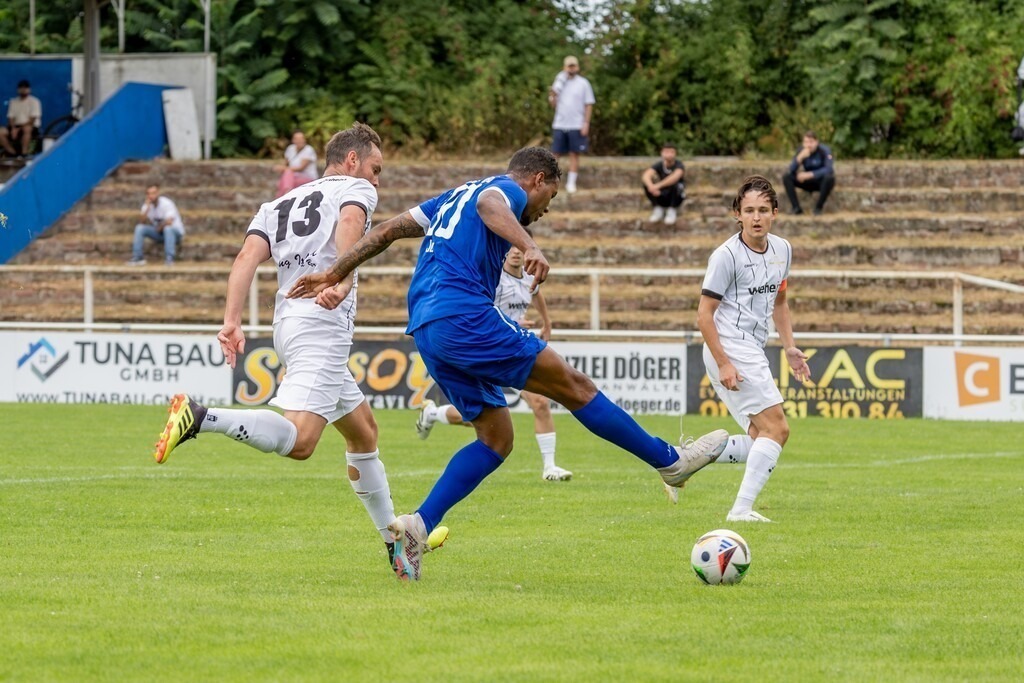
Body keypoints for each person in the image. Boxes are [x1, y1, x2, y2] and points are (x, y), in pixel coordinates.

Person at [288, 146, 728, 581]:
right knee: (576, 387)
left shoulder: (450, 196)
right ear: (536, 180)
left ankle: (418, 527)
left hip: (426, 325)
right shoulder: (503, 190)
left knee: (496, 438)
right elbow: (491, 204)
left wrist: (334, 272)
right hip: (464, 315)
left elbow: (384, 232)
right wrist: (528, 243)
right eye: (549, 199)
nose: (545, 210)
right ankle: (670, 460)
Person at [151, 123, 443, 565]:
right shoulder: (356, 189)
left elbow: (246, 258)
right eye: (375, 168)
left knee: (363, 431)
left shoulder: (278, 202)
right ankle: (200, 416)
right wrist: (341, 277)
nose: (377, 179)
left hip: (287, 323)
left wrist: (231, 321)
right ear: (351, 160)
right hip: (321, 324)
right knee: (303, 442)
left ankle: (396, 544)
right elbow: (349, 222)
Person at [696, 175, 811, 523]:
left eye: (763, 210)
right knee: (778, 429)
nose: (756, 217)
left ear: (775, 212)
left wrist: (789, 347)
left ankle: (684, 458)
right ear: (737, 214)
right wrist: (724, 363)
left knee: (760, 436)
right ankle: (740, 510)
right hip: (729, 346)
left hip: (752, 349)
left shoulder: (783, 250)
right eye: (749, 210)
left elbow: (781, 301)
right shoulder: (726, 256)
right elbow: (703, 316)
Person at [415, 245, 574, 482]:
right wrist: (513, 323)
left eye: (521, 248)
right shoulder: (495, 278)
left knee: (540, 402)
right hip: (487, 347)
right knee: (484, 419)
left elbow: (536, 292)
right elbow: (482, 308)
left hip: (512, 349)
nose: (516, 252)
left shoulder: (529, 276)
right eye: (511, 248)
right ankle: (434, 413)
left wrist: (547, 322)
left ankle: (550, 467)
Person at [549, 56, 595, 194]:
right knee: (555, 154)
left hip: (576, 124)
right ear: (565, 67)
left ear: (577, 67)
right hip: (560, 123)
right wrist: (552, 94)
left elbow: (589, 104)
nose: (571, 68)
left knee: (574, 154)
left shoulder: (583, 83)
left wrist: (586, 123)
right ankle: (553, 180)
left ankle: (571, 183)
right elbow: (552, 104)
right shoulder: (559, 82)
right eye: (569, 66)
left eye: (573, 66)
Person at [127, 185, 186, 266]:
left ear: (158, 193)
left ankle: (169, 259)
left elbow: (169, 221)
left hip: (174, 234)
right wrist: (147, 208)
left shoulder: (167, 203)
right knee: (139, 228)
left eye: (153, 193)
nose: (151, 196)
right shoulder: (147, 205)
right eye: (149, 194)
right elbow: (141, 221)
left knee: (168, 229)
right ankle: (138, 258)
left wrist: (160, 227)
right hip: (159, 233)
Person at [781, 131, 835, 215]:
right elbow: (791, 170)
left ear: (817, 142)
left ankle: (818, 208)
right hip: (807, 182)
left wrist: (810, 174)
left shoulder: (824, 150)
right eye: (806, 142)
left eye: (811, 142)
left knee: (829, 178)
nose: (809, 145)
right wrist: (799, 158)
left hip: (820, 182)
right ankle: (796, 208)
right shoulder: (801, 151)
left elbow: (829, 169)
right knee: (787, 177)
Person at [641, 142, 686, 224]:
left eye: (671, 152)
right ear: (661, 153)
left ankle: (672, 210)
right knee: (646, 184)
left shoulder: (679, 165)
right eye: (666, 152)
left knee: (676, 185)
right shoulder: (659, 165)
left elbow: (675, 177)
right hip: (661, 194)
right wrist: (651, 186)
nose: (669, 154)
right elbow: (646, 175)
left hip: (675, 196)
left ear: (675, 154)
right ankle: (658, 208)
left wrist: (657, 186)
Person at [0, 80, 42, 158]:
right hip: (15, 127)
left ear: (29, 89)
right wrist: (13, 128)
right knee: (1, 132)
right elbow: (10, 117)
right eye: (21, 88)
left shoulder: (35, 101)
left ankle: (24, 154)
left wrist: (18, 129)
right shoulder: (13, 101)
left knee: (27, 129)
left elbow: (32, 120)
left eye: (25, 88)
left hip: (30, 127)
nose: (23, 90)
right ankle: (12, 153)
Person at [276, 130, 319, 197]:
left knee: (287, 175)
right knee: (286, 176)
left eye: (301, 138)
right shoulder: (290, 148)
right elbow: (286, 163)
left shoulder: (308, 150)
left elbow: (301, 168)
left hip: (307, 178)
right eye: (297, 139)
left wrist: (284, 168)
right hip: (293, 178)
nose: (299, 141)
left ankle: (284, 195)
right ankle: (285, 194)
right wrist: (282, 168)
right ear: (293, 140)